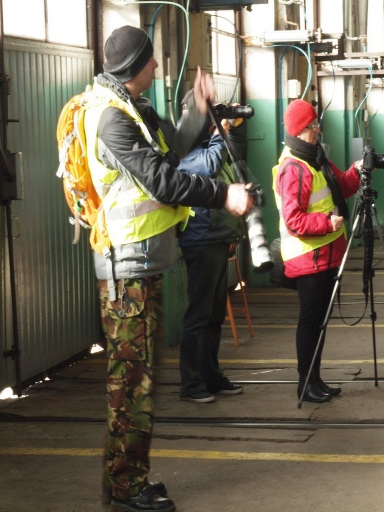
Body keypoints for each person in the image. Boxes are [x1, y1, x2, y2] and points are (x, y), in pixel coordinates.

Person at [87, 26, 253, 512]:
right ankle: (123, 487)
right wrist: (225, 194)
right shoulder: (109, 118)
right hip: (125, 269)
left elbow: (170, 149)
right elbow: (161, 178)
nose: (158, 68)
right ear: (134, 65)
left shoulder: (134, 110)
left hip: (144, 263)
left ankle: (131, 478)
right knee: (129, 381)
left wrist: (197, 111)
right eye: (152, 61)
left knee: (139, 380)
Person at [271, 99, 361, 403]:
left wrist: (358, 171)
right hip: (308, 257)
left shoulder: (316, 158)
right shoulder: (294, 168)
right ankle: (305, 383)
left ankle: (315, 378)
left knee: (320, 321)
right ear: (299, 130)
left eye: (316, 124)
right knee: (310, 321)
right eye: (311, 126)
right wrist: (327, 223)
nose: (316, 130)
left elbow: (343, 187)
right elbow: (293, 220)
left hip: (326, 254)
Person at [176, 92, 247, 403]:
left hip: (219, 238)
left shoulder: (214, 145)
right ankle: (190, 384)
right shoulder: (184, 147)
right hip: (200, 238)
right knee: (199, 314)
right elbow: (208, 165)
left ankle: (210, 376)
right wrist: (221, 135)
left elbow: (228, 170)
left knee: (215, 314)